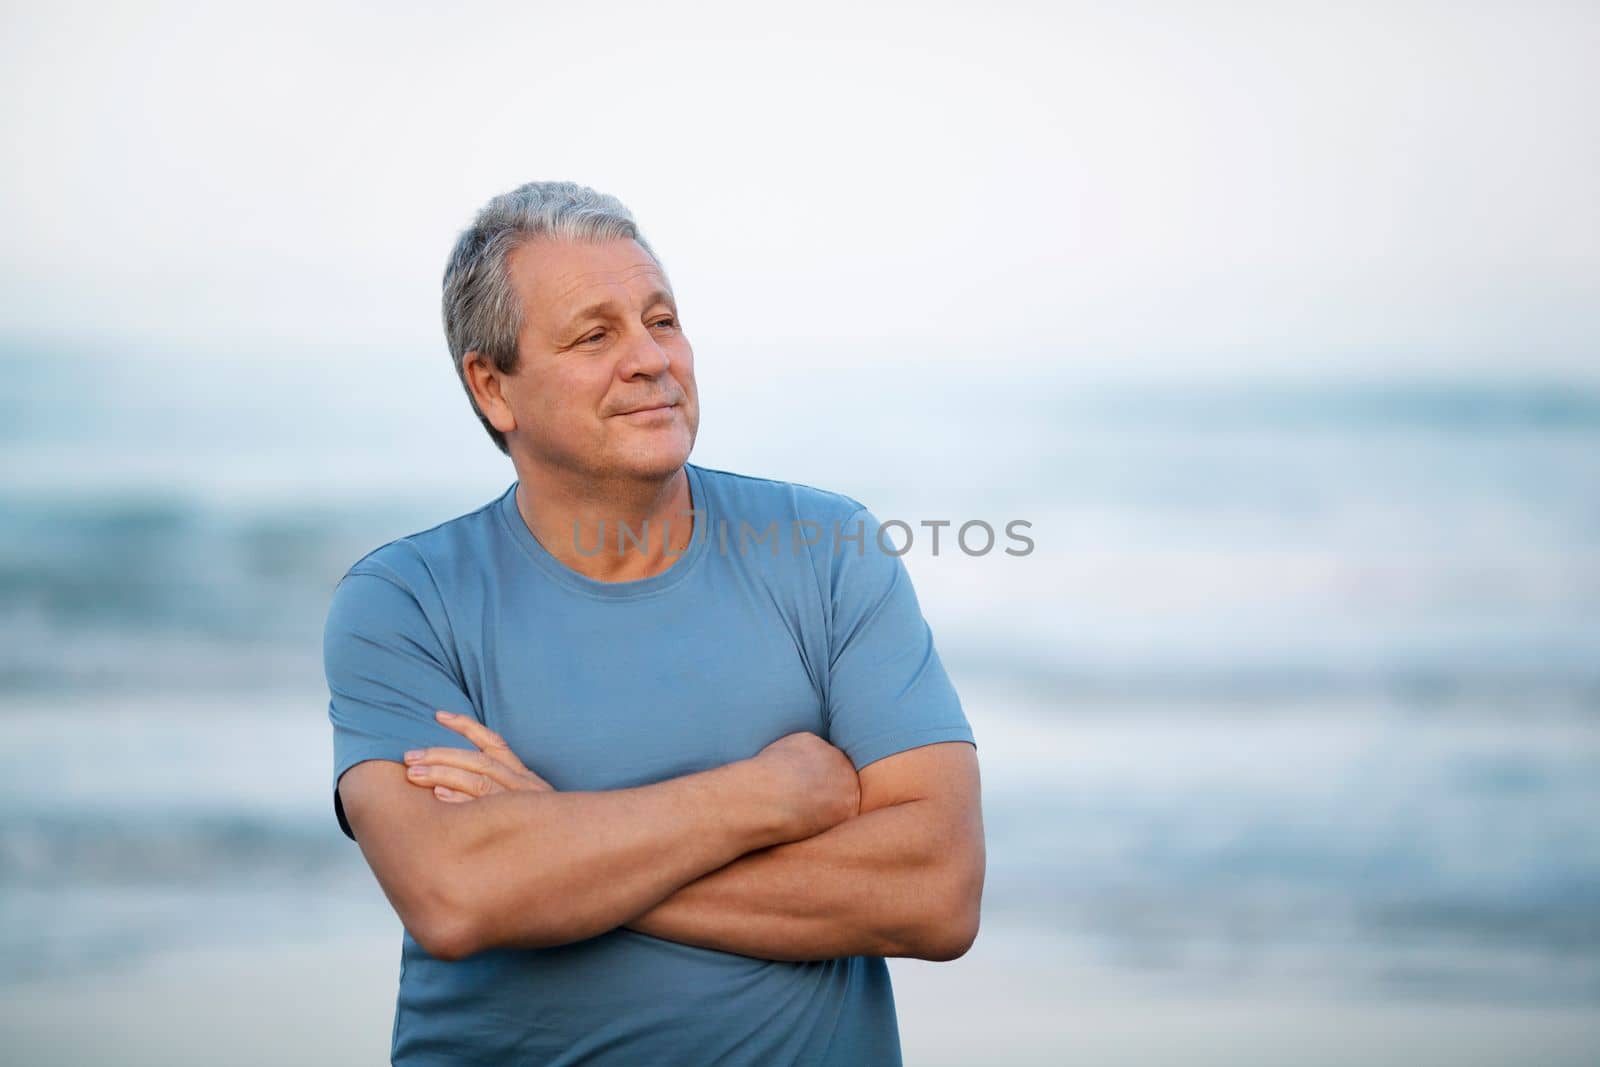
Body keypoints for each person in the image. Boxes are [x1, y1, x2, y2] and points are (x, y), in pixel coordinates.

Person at [324, 180, 985, 1065]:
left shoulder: (828, 551)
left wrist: (555, 847)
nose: (650, 358)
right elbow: (455, 894)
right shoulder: (405, 599)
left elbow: (936, 892)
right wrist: (769, 795)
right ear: (493, 388)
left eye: (661, 320)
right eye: (596, 335)